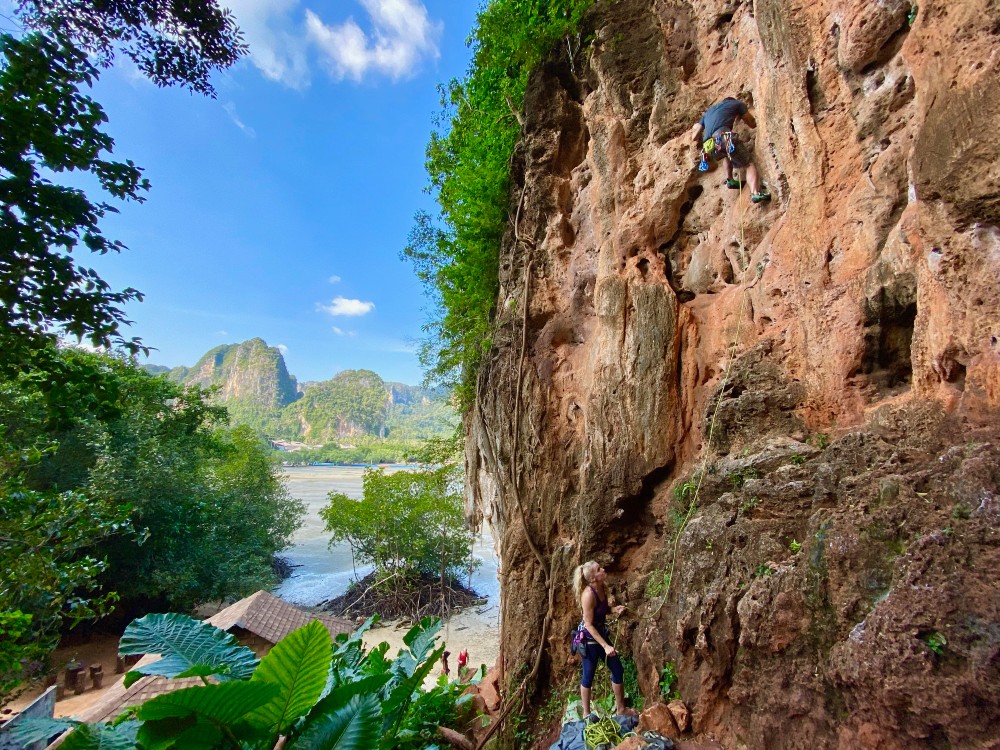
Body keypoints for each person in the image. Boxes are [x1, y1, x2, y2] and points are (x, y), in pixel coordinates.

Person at [573, 560, 632, 717]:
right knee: (588, 675)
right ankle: (586, 714)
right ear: (593, 578)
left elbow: (602, 610)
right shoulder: (588, 595)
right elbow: (588, 624)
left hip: (600, 635)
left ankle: (621, 710)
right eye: (599, 569)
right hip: (589, 639)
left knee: (617, 669)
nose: (603, 569)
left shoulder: (602, 588)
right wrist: (605, 646)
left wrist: (613, 609)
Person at [690, 96, 771, 204]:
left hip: (709, 147)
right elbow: (751, 123)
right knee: (748, 164)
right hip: (723, 137)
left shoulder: (708, 113)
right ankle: (755, 193)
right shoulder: (737, 104)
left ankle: (730, 180)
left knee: (725, 155)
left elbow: (694, 136)